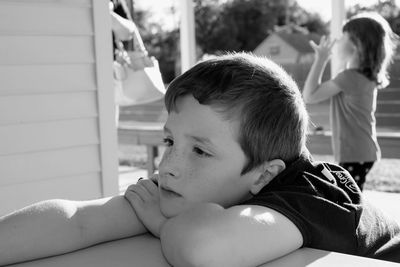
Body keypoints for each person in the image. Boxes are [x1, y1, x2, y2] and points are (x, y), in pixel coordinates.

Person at [1, 53, 400, 266]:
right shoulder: (198, 177)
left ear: (264, 175)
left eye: (199, 150)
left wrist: (160, 223)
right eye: (170, 141)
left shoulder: (308, 199)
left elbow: (202, 251)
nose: (169, 165)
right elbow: (81, 220)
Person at [302, 12, 398, 191]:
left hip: (354, 154)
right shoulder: (364, 77)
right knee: (349, 197)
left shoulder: (348, 78)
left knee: (346, 200)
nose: (337, 42)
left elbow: (310, 96)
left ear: (357, 44)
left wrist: (321, 59)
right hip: (362, 152)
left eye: (342, 37)